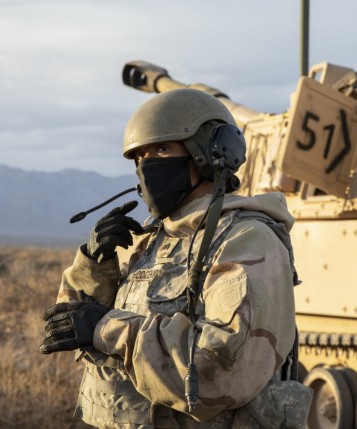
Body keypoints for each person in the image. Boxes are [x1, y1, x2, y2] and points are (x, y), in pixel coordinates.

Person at [40, 88, 312, 428]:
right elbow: (67, 322)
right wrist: (93, 263)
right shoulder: (154, 239)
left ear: (210, 152)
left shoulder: (245, 239)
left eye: (162, 149)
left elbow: (218, 375)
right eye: (140, 156)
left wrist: (106, 328)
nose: (147, 165)